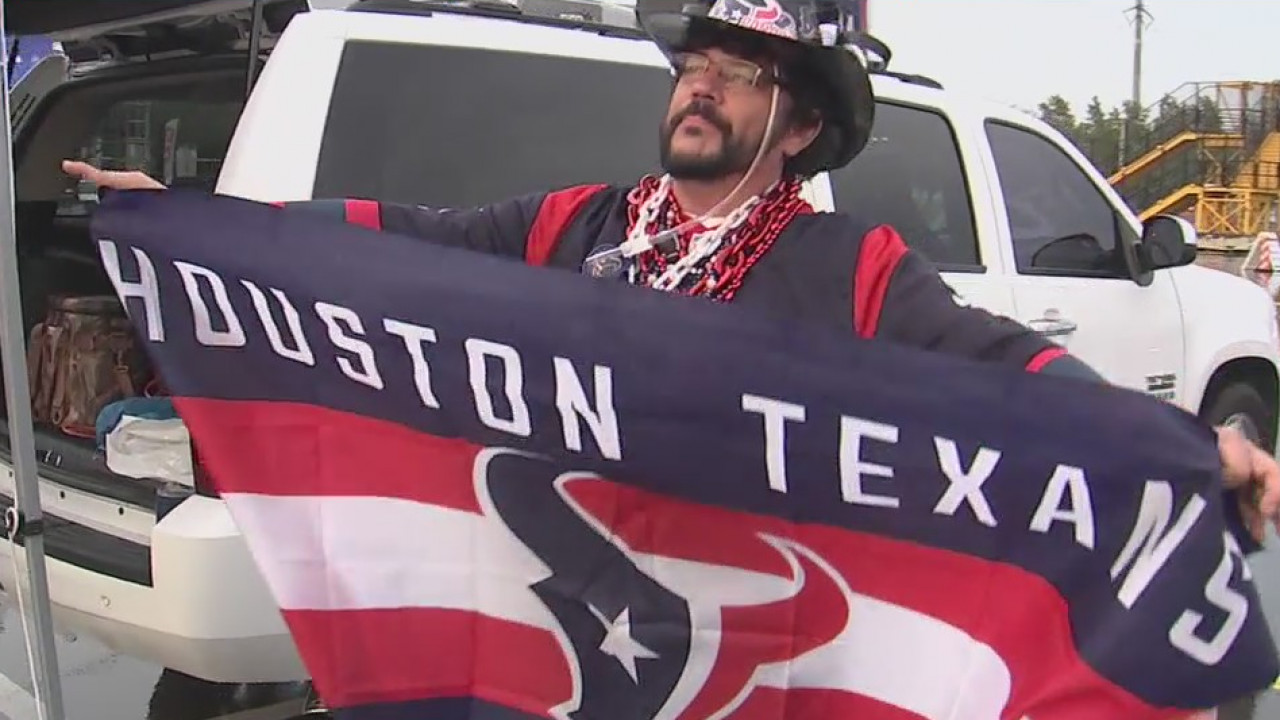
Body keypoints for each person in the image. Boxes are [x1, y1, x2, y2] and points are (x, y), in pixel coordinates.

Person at [65, 0, 1279, 578]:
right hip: (567, 608)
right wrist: (203, 221)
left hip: (740, 627)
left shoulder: (841, 267)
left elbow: (999, 364)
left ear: (793, 123)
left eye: (737, 74)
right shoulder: (579, 224)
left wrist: (1178, 443)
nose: (699, 88)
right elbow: (401, 237)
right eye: (693, 66)